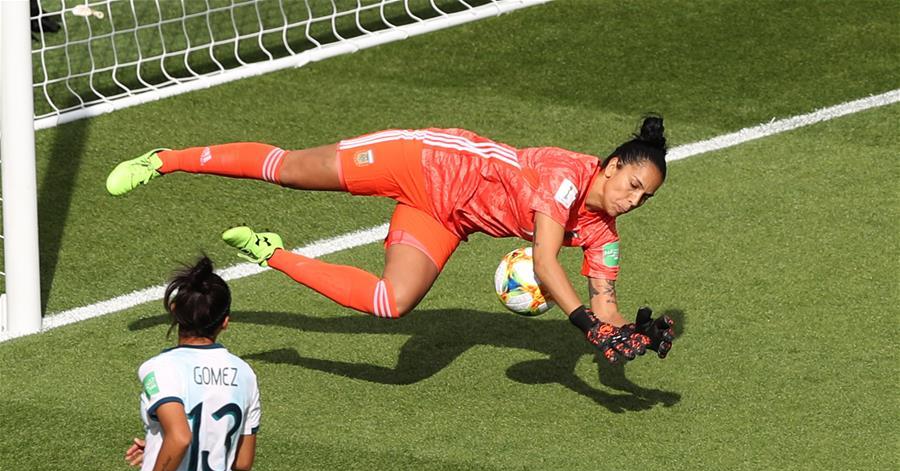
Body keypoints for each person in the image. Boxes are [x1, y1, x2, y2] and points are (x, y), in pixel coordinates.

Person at [107, 118, 674, 363]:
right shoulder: (564, 176)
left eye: (644, 197)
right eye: (632, 184)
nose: (633, 199)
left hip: (447, 219)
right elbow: (547, 263)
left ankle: (269, 252)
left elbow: (603, 299)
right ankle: (166, 160)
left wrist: (630, 335)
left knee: (391, 302)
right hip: (421, 161)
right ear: (614, 164)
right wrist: (588, 327)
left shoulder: (604, 232)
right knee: (288, 169)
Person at [107, 257, 261, 471]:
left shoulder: (160, 368)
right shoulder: (245, 375)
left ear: (175, 311)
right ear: (226, 321)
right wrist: (156, 447)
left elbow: (180, 436)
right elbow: (242, 459)